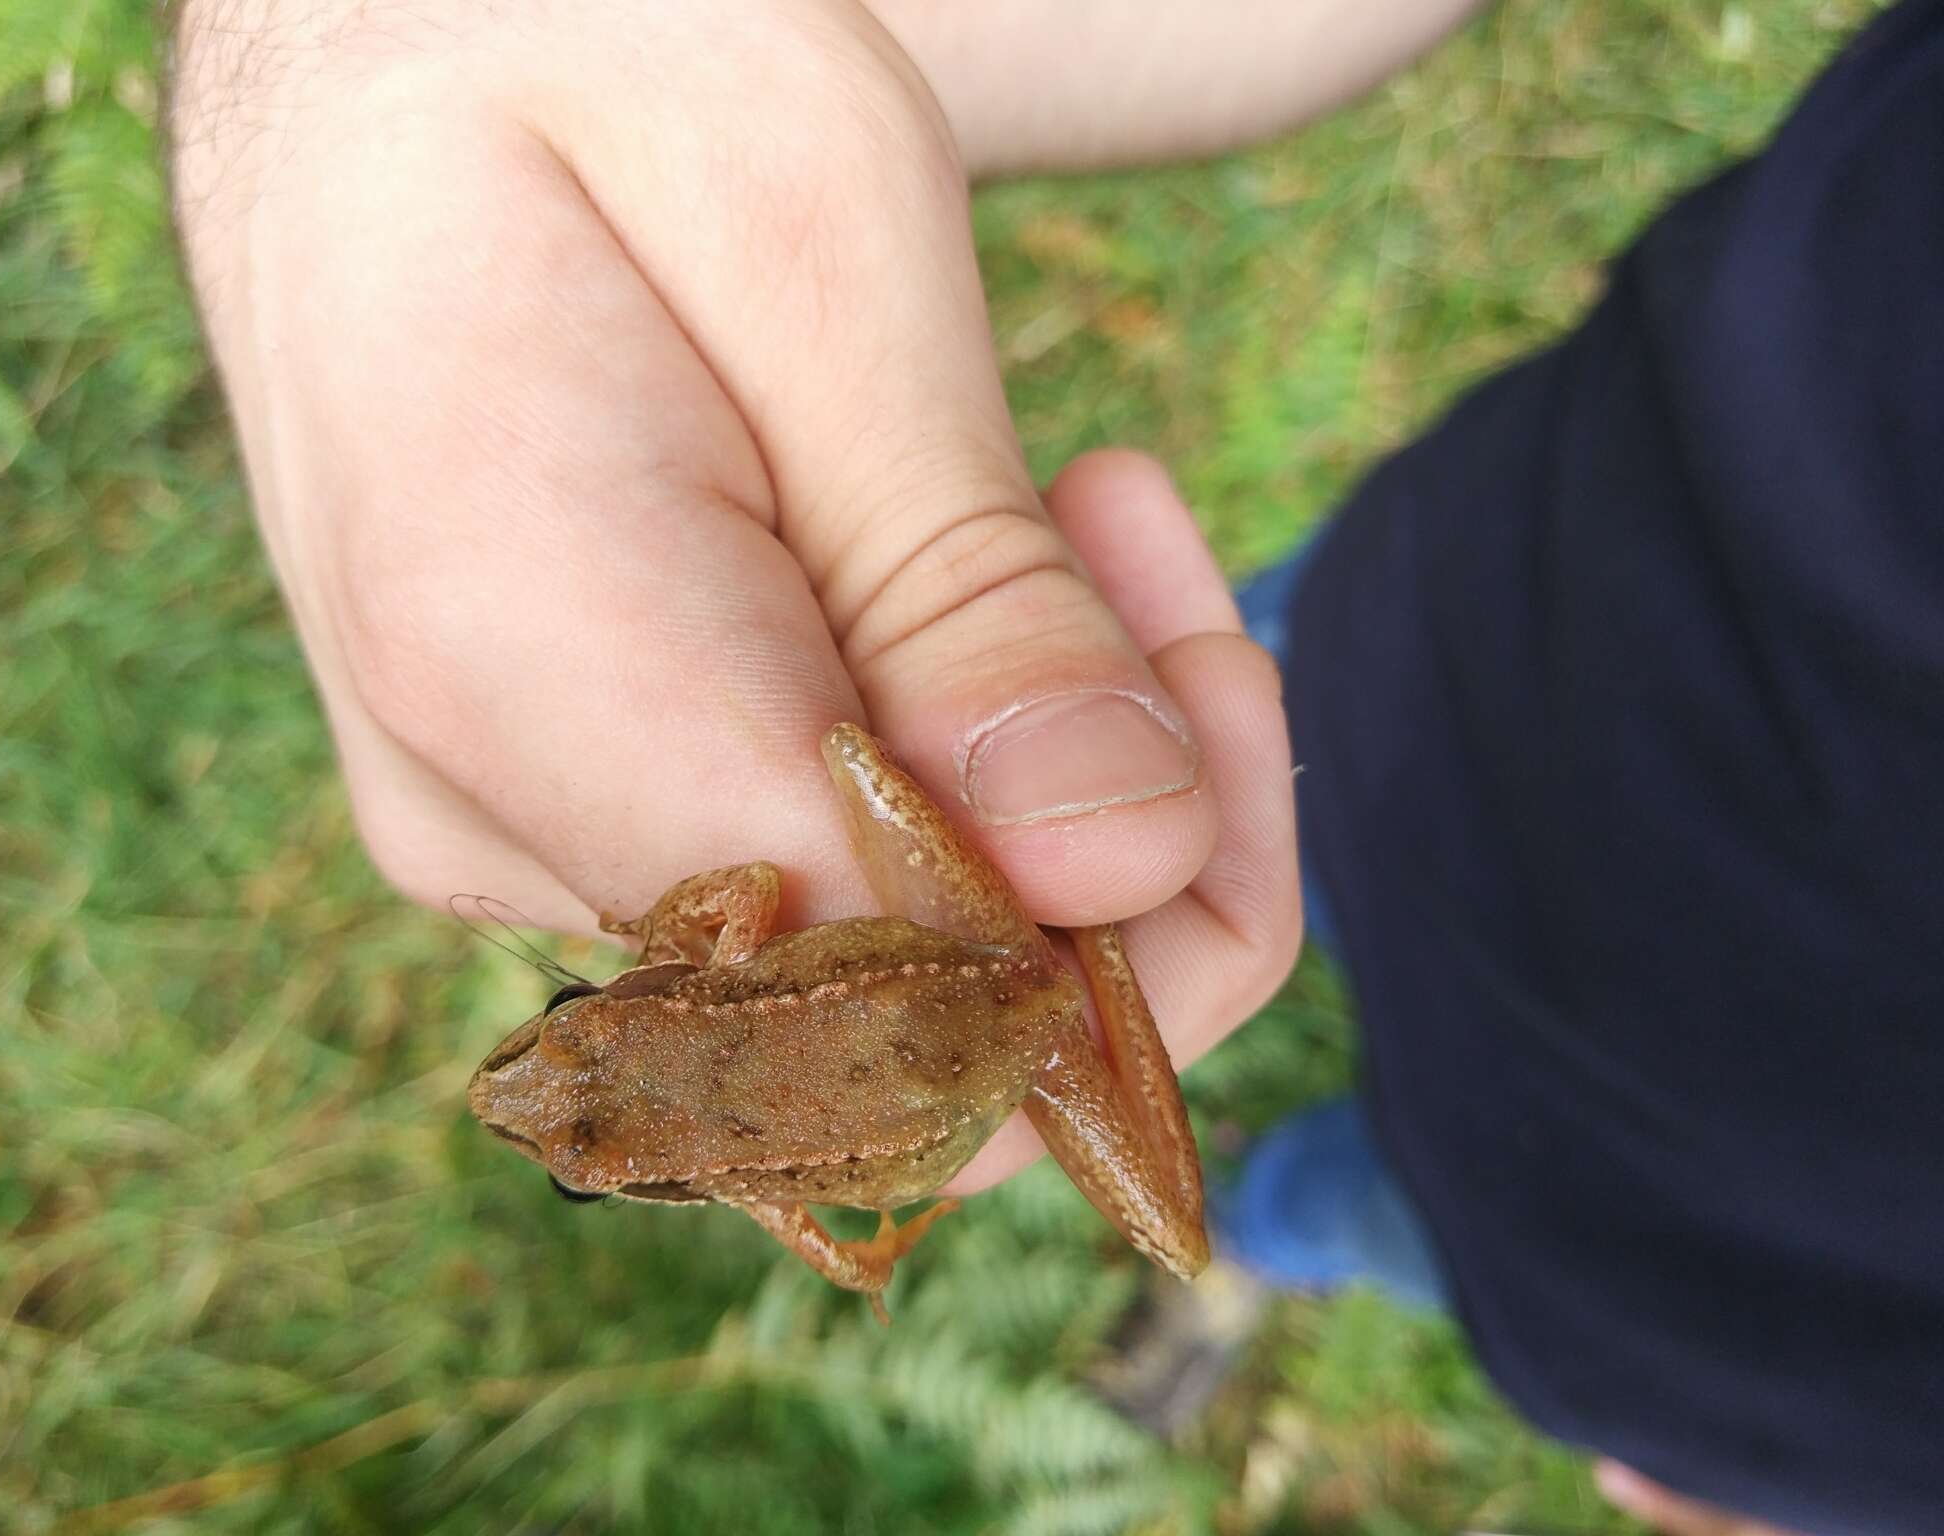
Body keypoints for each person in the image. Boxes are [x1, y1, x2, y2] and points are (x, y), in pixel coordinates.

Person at [167, 1, 1943, 1532]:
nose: (542, 1059)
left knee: (1293, 1173)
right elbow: (758, 934)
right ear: (618, 1071)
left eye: (556, 1032)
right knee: (1137, 788)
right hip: (1439, 718)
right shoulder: (714, 1050)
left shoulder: (764, 1188)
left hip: (1695, 1323)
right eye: (569, 1068)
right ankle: (1250, 1212)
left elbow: (856, 1239)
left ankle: (1252, 1231)